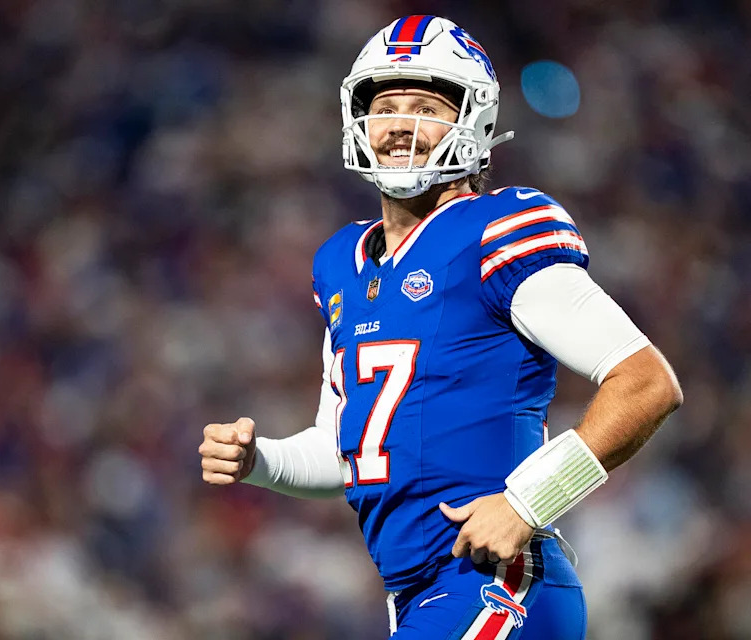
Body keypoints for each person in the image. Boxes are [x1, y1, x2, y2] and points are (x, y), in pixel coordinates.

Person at [198, 15, 682, 639]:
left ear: (472, 121)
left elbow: (645, 382)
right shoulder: (341, 266)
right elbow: (347, 452)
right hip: (419, 594)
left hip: (499, 581)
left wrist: (528, 502)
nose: (399, 124)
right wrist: (259, 460)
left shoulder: (498, 231)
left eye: (425, 106)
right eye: (386, 106)